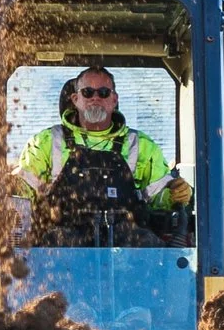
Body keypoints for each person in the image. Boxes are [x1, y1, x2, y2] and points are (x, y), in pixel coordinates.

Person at [15, 66, 191, 244]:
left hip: (129, 251)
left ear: (114, 100)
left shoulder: (141, 145)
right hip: (62, 250)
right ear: (75, 99)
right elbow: (25, 188)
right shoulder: (47, 142)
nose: (95, 98)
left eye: (104, 93)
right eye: (88, 92)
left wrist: (174, 193)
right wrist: (13, 186)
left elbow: (158, 196)